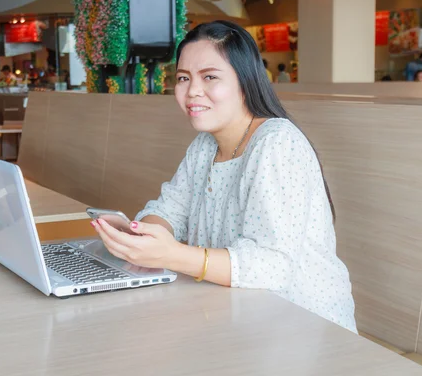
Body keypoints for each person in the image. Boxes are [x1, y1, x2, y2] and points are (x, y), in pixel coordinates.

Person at [91, 20, 357, 333]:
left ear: (245, 81)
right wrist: (139, 236)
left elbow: (272, 266)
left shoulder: (277, 143)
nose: (192, 92)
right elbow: (168, 211)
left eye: (210, 77)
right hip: (236, 316)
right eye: (183, 78)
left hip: (304, 326)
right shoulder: (205, 145)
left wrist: (172, 254)